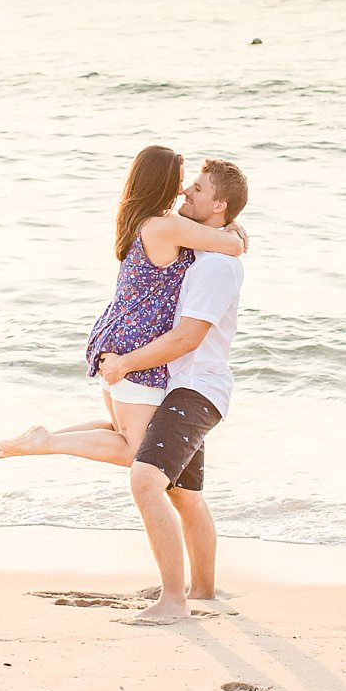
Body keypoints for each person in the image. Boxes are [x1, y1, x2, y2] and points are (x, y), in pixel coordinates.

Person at [0, 146, 245, 468]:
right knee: (134, 450)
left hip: (115, 334)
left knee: (119, 430)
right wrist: (235, 227)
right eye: (180, 181)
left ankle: (44, 437)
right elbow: (232, 246)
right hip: (138, 341)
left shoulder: (137, 220)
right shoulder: (166, 226)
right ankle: (46, 442)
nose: (183, 190)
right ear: (161, 184)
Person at [96, 156, 247, 624]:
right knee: (184, 495)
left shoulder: (216, 267)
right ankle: (202, 590)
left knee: (145, 480)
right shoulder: (197, 245)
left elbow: (188, 337)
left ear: (219, 203)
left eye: (197, 190)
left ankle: (173, 602)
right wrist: (236, 235)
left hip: (195, 389)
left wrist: (125, 364)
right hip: (178, 385)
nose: (186, 194)